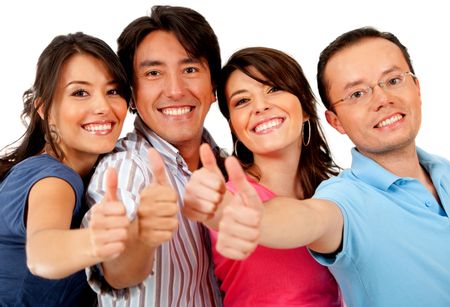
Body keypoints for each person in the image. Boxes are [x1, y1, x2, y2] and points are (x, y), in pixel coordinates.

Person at [213, 27, 450, 307]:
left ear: (305, 109)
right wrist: (246, 218)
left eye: (393, 80)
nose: (382, 99)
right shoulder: (342, 199)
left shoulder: (325, 184)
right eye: (357, 93)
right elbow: (307, 218)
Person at [82, 5, 225, 307]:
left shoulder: (225, 164)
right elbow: (117, 272)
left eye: (190, 69)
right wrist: (143, 232)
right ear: (131, 95)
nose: (174, 90)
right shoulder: (125, 168)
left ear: (214, 86)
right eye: (153, 73)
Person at [183, 47, 343, 306]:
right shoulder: (233, 197)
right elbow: (228, 216)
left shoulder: (337, 192)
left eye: (274, 89)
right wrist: (221, 212)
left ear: (305, 109)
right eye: (242, 101)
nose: (261, 106)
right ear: (234, 124)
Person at [0, 32, 132, 306]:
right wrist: (101, 240)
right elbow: (44, 252)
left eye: (113, 91)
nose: (103, 106)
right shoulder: (54, 180)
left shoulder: (80, 174)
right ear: (45, 109)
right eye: (80, 93)